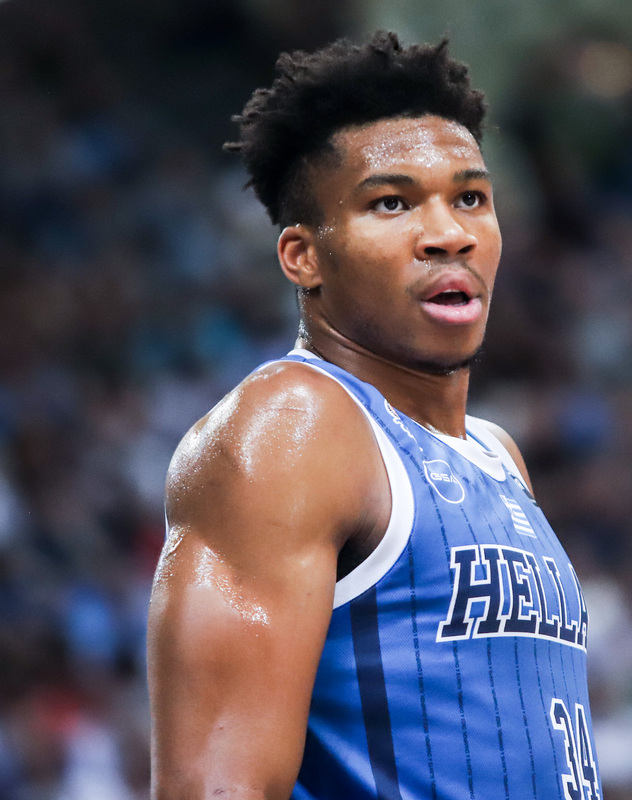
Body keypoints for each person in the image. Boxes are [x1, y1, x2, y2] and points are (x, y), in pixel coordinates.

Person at [147, 32, 602, 800]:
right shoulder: (293, 428)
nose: (449, 233)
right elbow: (214, 787)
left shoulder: (496, 453)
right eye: (391, 203)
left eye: (470, 198)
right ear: (303, 256)